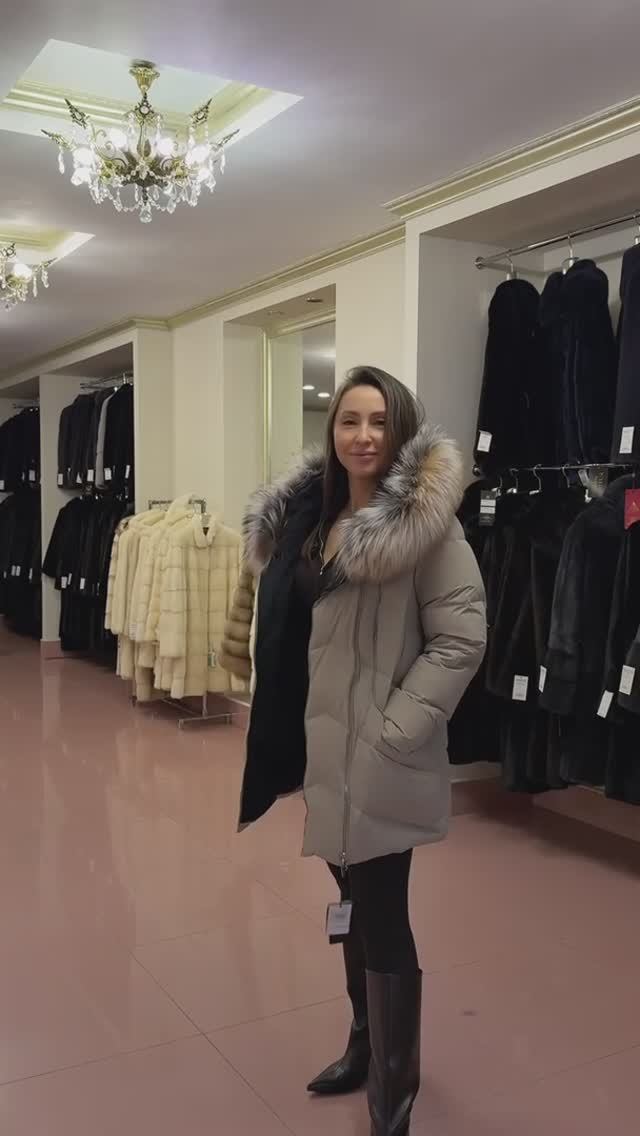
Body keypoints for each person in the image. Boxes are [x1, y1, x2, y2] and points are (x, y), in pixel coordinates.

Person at [222, 366, 486, 1135]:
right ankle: (365, 1046)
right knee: (352, 903)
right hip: (323, 751)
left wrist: (394, 729)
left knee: (383, 912)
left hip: (378, 753)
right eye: (349, 420)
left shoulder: (430, 530)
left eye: (378, 421)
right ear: (332, 431)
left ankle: (392, 1095)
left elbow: (461, 639)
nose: (363, 436)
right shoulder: (312, 522)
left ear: (399, 430)